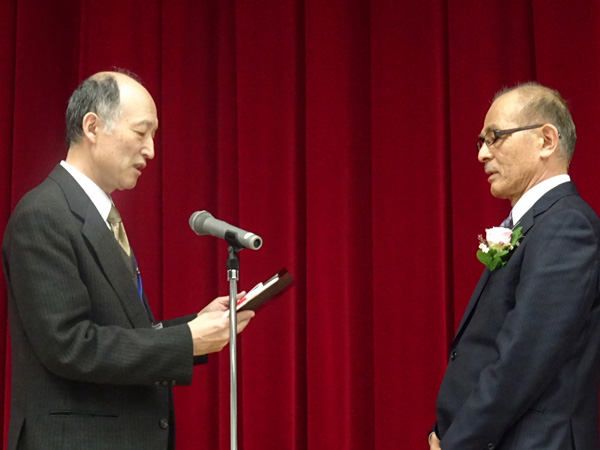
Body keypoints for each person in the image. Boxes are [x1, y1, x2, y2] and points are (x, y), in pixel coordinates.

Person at [1, 70, 255, 450]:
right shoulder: (43, 213)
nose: (151, 150)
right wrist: (186, 341)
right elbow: (70, 346)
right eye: (141, 133)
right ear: (92, 127)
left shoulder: (99, 214)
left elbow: (122, 330)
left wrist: (195, 326)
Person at [430, 83, 600, 450]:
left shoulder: (566, 226)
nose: (482, 155)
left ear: (546, 140)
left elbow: (521, 360)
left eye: (496, 137)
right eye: (481, 141)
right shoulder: (536, 225)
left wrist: (456, 442)